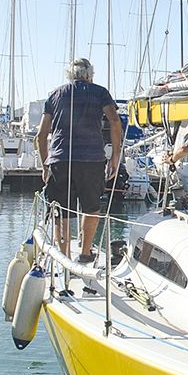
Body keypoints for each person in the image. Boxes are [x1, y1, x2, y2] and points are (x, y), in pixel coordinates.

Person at [35, 58, 123, 263]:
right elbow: (115, 121)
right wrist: (115, 156)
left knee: (61, 208)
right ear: (90, 75)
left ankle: (64, 257)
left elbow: (41, 134)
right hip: (91, 158)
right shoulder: (100, 93)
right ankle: (84, 253)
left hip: (60, 159)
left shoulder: (55, 95)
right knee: (91, 207)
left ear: (69, 75)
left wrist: (45, 164)